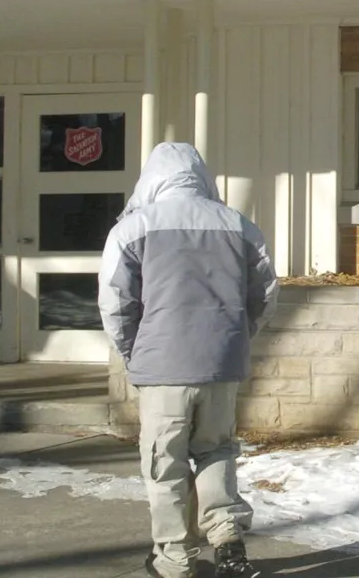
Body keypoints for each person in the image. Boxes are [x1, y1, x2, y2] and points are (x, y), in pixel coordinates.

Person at [99, 142, 279, 578]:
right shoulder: (239, 226)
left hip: (162, 367)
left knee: (165, 463)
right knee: (217, 450)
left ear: (152, 178)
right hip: (221, 364)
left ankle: (175, 560)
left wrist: (132, 351)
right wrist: (234, 338)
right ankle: (229, 545)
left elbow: (115, 303)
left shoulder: (133, 228)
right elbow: (265, 294)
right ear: (201, 176)